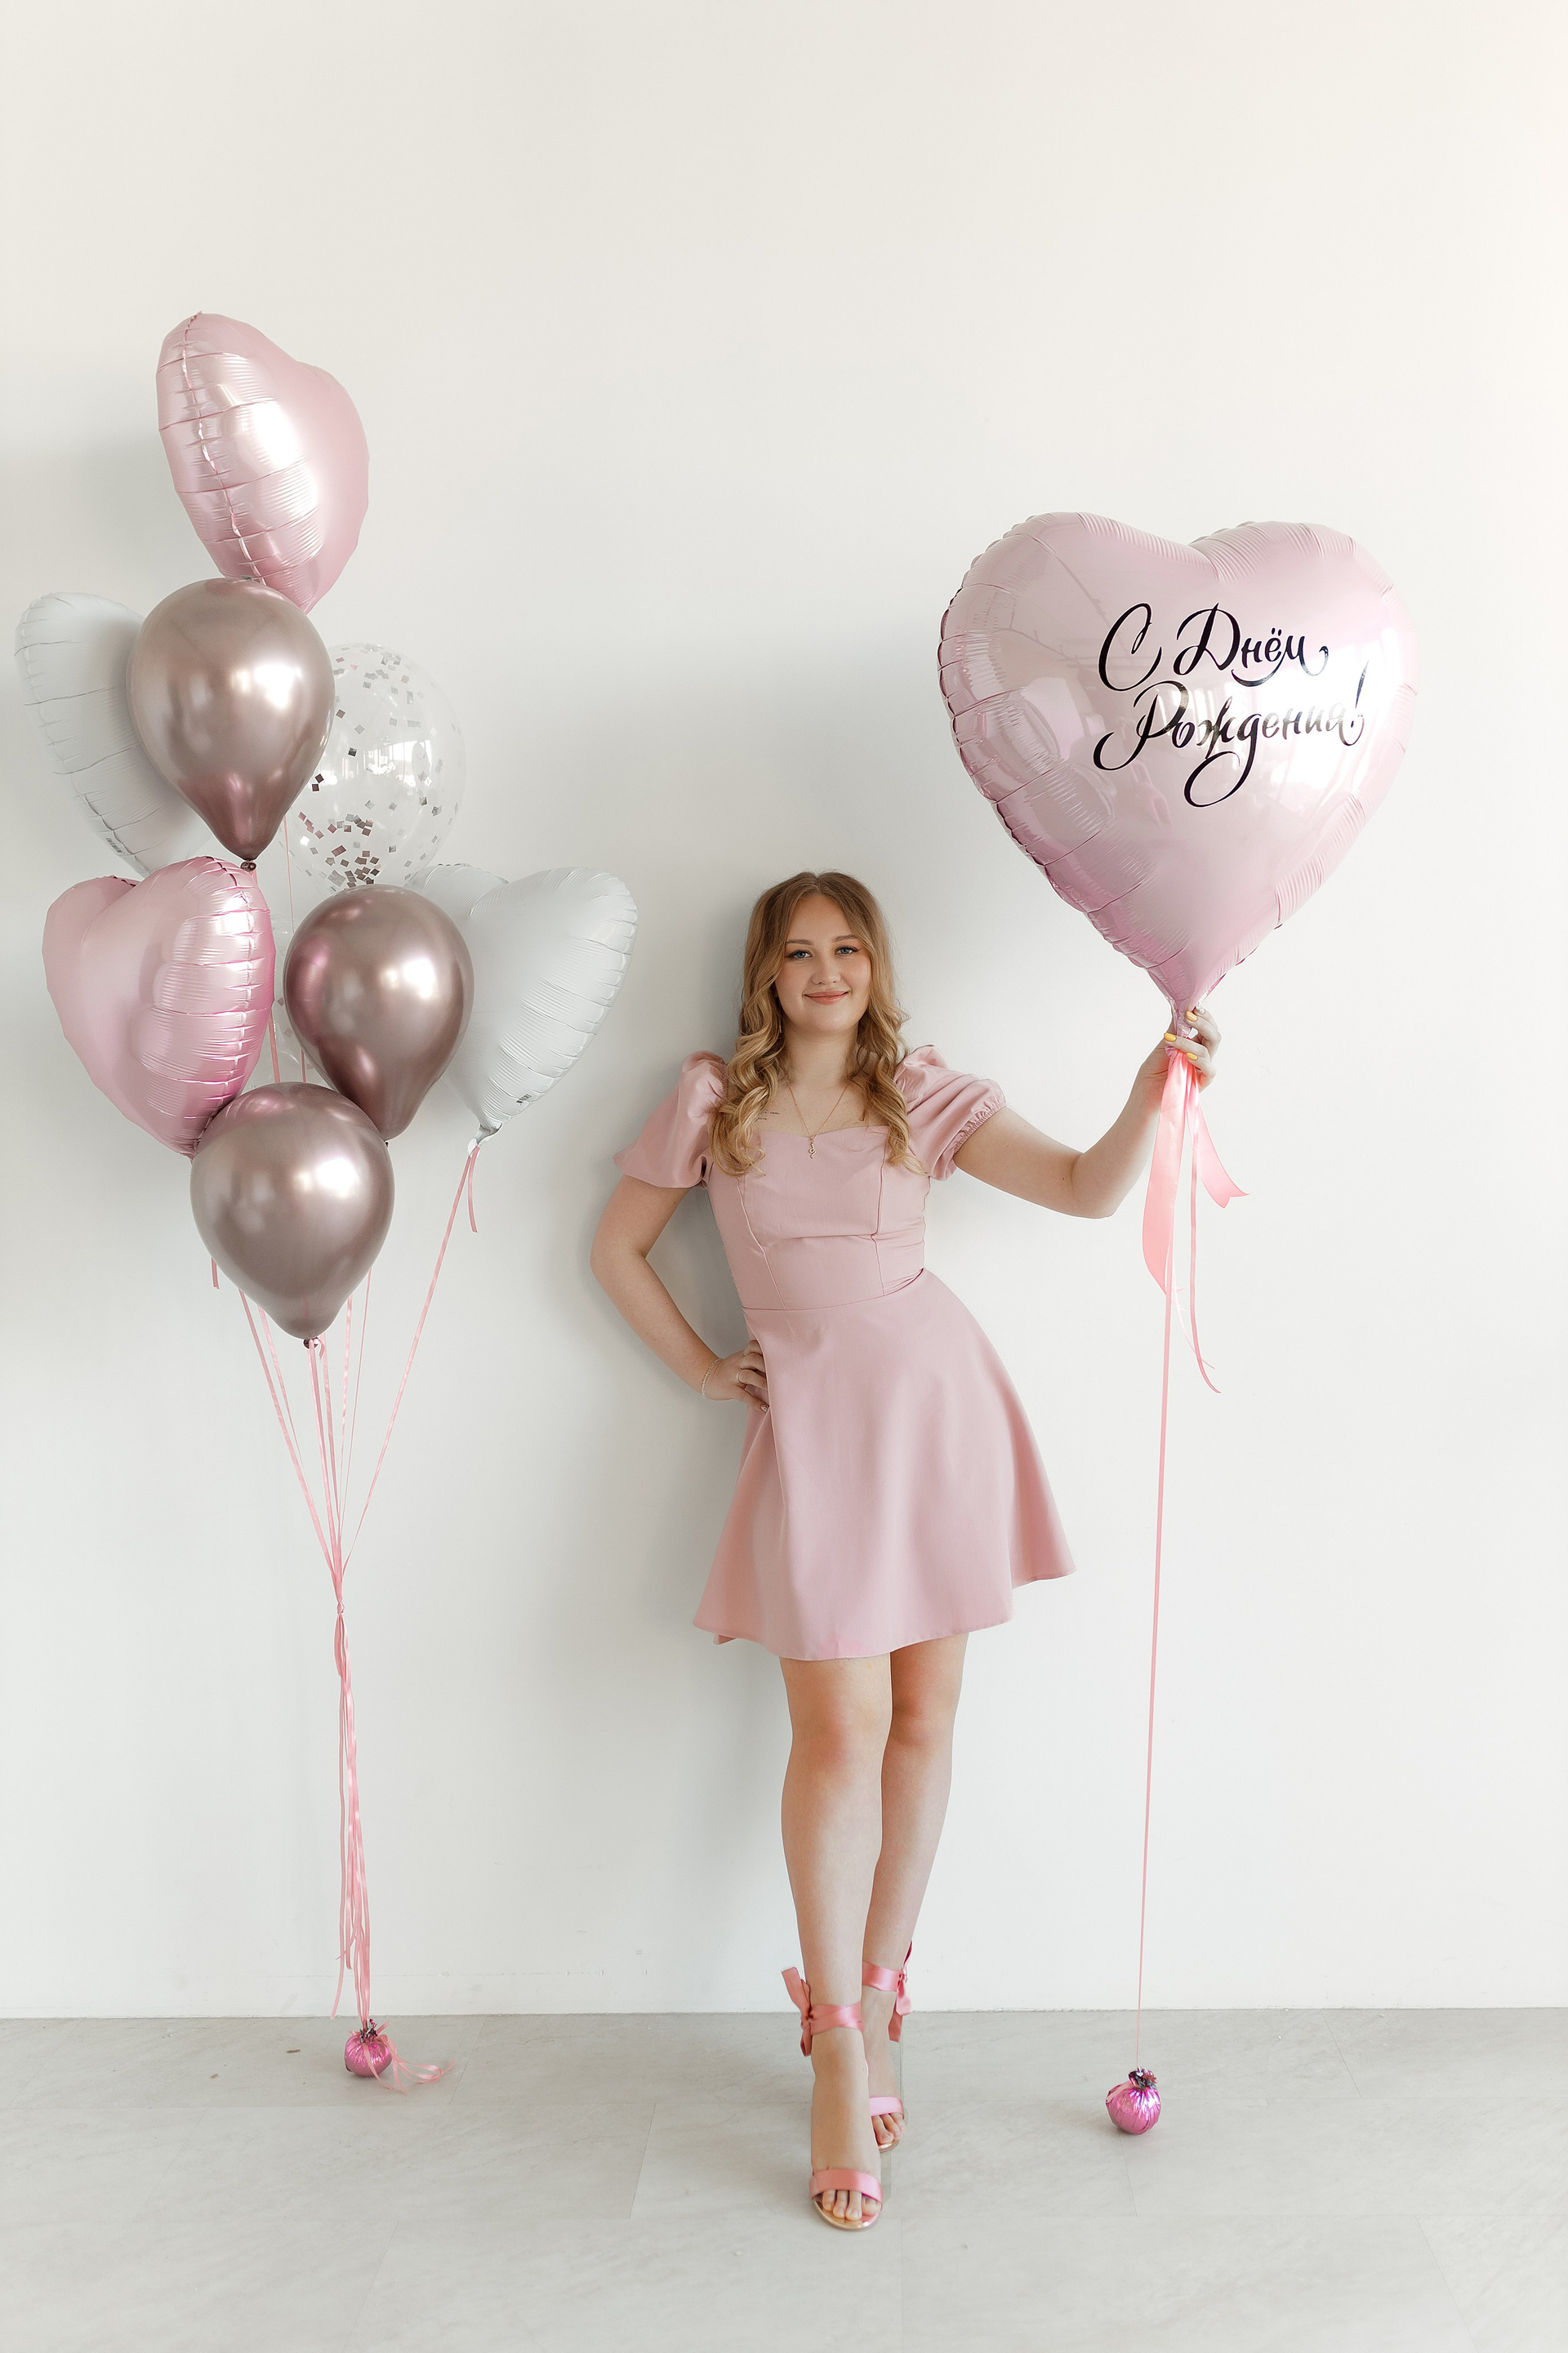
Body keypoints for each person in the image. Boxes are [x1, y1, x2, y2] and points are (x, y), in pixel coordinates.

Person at [590, 871, 1220, 2231]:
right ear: (766, 974)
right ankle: (832, 2039)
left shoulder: (918, 1093)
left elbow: (1084, 1188)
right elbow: (617, 1248)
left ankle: (882, 1997)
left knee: (923, 1720)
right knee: (840, 1731)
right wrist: (704, 1366)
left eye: (848, 948)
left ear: (876, 965)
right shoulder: (715, 1099)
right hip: (815, 1430)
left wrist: (1149, 1088)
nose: (827, 970)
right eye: (800, 951)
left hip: (937, 1410)